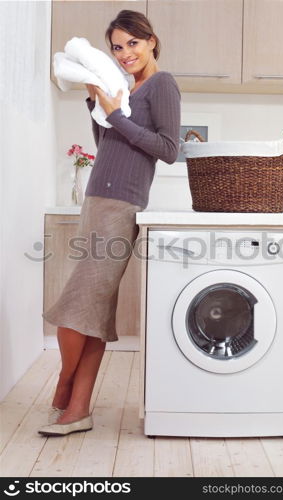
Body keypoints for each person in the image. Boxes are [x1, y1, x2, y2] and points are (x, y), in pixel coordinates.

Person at [38, 10, 181, 436]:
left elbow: (168, 149)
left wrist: (117, 114)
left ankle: (64, 383)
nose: (124, 54)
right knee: (94, 312)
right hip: (97, 200)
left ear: (151, 41)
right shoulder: (123, 87)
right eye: (117, 47)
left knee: (76, 305)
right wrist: (97, 106)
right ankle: (78, 408)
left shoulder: (162, 84)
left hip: (122, 207)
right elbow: (109, 145)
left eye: (132, 44)